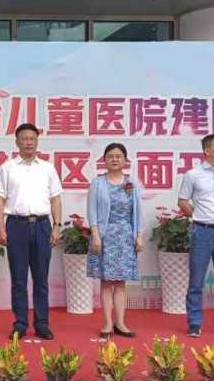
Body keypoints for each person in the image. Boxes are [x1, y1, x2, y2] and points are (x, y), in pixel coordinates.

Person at [0, 123, 62, 340]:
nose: (28, 142)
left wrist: (57, 225)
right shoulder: (7, 168)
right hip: (16, 225)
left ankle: (42, 324)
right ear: (17, 142)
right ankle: (20, 324)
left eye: (32, 138)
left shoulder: (47, 168)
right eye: (24, 138)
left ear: (37, 141)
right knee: (19, 279)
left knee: (41, 279)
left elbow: (55, 199)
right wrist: (0, 227)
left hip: (42, 225)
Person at [87, 142, 144, 339]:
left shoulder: (132, 184)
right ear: (104, 160)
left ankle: (120, 322)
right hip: (104, 237)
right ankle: (107, 323)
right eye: (110, 156)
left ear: (125, 160)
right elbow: (92, 212)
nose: (114, 159)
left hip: (125, 237)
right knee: (106, 282)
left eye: (118, 156)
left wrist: (139, 235)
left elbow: (137, 212)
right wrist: (95, 235)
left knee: (120, 283)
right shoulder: (97, 183)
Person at [178, 133, 214, 338]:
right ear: (207, 150)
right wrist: (197, 215)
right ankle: (194, 323)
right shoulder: (193, 174)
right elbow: (182, 200)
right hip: (202, 231)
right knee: (197, 280)